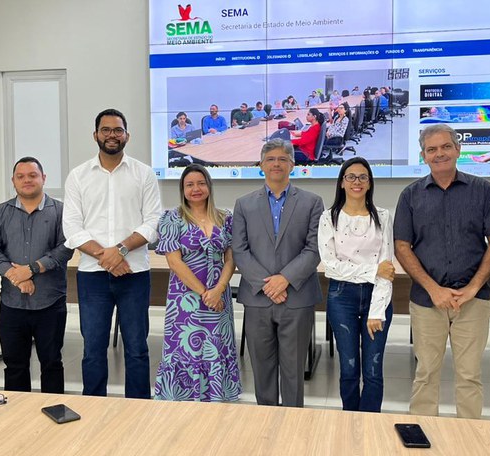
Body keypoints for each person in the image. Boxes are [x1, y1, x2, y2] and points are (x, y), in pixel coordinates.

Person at [394, 124, 490, 419]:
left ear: (458, 149)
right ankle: (421, 437)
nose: (439, 154)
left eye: (446, 147)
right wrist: (434, 289)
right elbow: (402, 246)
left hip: (473, 300)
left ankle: (468, 443)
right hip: (427, 301)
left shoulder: (483, 191)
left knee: (469, 376)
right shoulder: (410, 195)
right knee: (426, 373)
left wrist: (472, 287)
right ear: (423, 155)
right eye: (432, 149)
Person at [63, 108, 163, 397]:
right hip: (92, 277)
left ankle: (137, 410)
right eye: (105, 130)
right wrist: (105, 257)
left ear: (127, 136)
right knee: (93, 349)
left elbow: (153, 222)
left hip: (134, 275)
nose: (112, 135)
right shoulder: (79, 176)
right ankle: (95, 408)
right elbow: (71, 225)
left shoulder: (143, 173)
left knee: (137, 348)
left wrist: (119, 250)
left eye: (117, 130)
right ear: (95, 135)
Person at [232, 139, 324, 407]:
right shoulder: (244, 204)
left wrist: (284, 280)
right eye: (270, 159)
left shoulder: (312, 202)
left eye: (282, 159)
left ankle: (293, 425)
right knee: (262, 368)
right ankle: (266, 420)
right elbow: (240, 250)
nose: (276, 164)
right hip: (258, 298)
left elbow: (314, 248)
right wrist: (268, 285)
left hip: (296, 297)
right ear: (261, 165)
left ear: (292, 165)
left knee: (294, 370)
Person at [0, 156, 74, 394]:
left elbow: (65, 248)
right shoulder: (0, 212)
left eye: (32, 175)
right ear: (13, 181)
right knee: (15, 366)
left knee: (52, 363)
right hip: (12, 303)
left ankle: (53, 412)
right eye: (20, 176)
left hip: (50, 303)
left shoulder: (62, 212)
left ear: (43, 178)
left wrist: (32, 269)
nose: (27, 180)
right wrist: (15, 275)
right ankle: (17, 418)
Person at [154, 164, 240, 401]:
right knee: (185, 351)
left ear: (209, 186)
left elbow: (231, 258)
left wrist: (219, 289)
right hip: (186, 302)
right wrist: (205, 293)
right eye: (189, 184)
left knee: (216, 348)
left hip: (219, 299)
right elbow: (175, 262)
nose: (196, 189)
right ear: (182, 189)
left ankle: (216, 398)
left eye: (201, 183)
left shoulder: (225, 218)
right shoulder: (172, 218)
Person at [318, 157, 395, 412]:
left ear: (370, 183)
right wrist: (372, 270)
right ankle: (350, 420)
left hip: (377, 297)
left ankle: (371, 423)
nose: (357, 182)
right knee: (349, 367)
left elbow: (388, 269)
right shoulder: (328, 218)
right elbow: (330, 266)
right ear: (342, 183)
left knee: (373, 369)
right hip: (342, 297)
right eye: (351, 177)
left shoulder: (383, 216)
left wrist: (376, 312)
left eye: (363, 177)